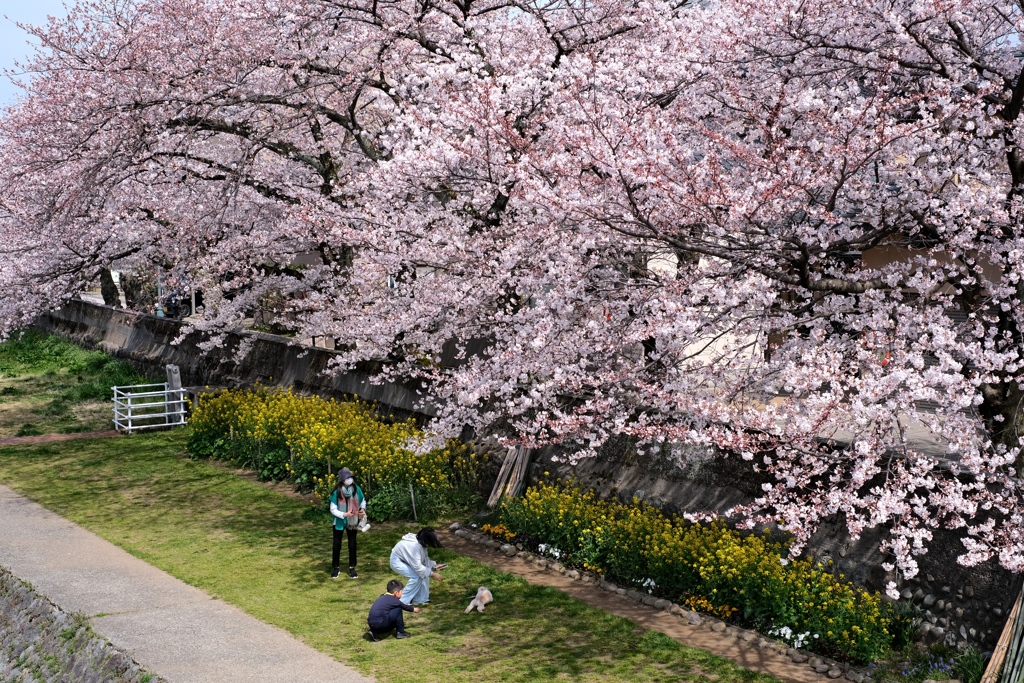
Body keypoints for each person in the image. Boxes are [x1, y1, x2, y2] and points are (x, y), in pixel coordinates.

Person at [389, 527, 447, 605]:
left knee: (424, 572)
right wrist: (433, 574)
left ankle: (421, 599)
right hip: (397, 561)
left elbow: (424, 560)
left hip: (407, 560)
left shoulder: (421, 543)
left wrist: (434, 565)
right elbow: (418, 567)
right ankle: (402, 601)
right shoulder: (414, 546)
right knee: (415, 577)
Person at [329, 467, 366, 579]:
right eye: (347, 478)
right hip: (339, 522)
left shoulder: (356, 489)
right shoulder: (337, 492)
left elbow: (362, 500)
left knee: (352, 544)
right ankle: (336, 568)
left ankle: (352, 568)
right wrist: (344, 514)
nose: (350, 479)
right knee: (336, 545)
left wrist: (362, 509)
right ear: (342, 480)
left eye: (350, 477)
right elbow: (333, 509)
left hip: (352, 521)